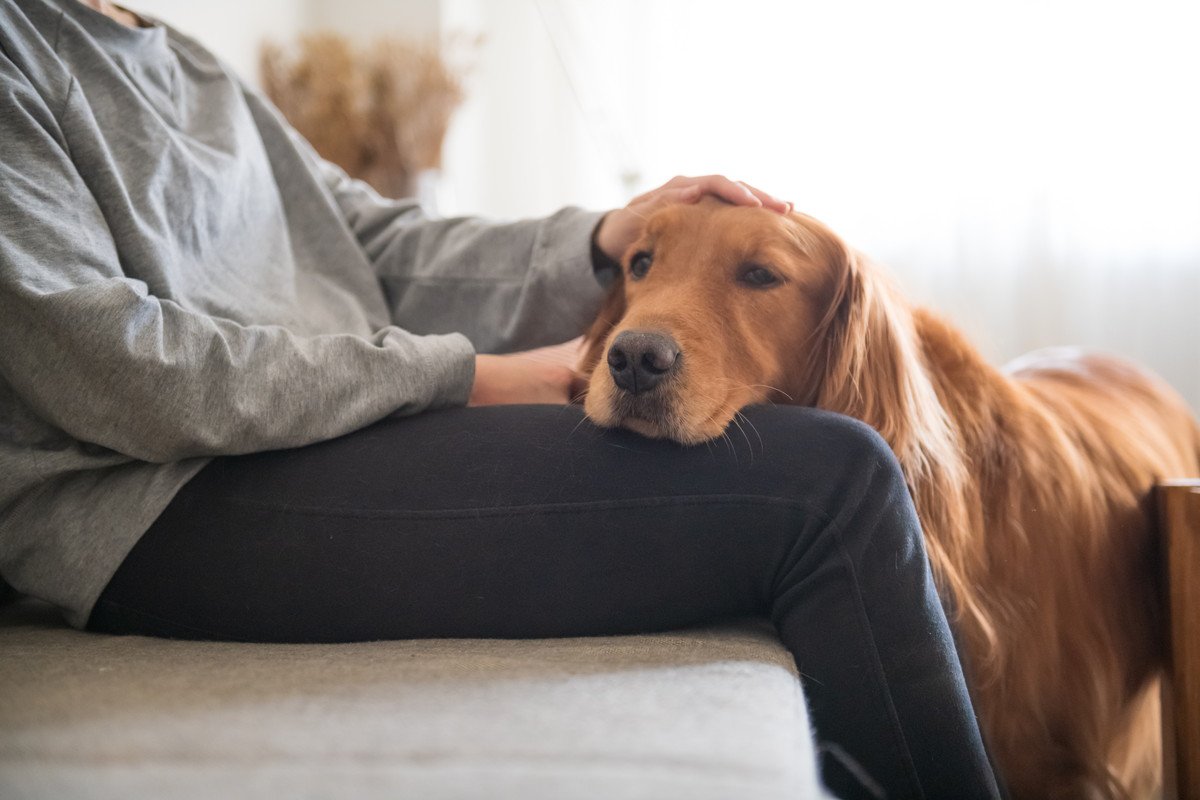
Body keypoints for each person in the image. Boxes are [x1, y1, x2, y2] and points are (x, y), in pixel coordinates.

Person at [0, 1, 1001, 797]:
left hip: (314, 443)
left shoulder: (172, 51)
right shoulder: (17, 52)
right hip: (157, 504)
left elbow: (377, 244)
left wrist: (606, 236)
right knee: (833, 483)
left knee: (821, 462)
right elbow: (125, 371)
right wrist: (470, 376)